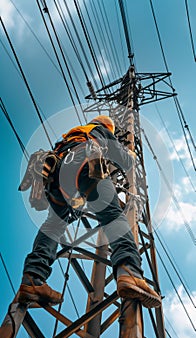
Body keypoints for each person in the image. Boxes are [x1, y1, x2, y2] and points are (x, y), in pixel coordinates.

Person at [17, 115, 161, 309]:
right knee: (112, 216)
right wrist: (130, 155)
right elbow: (125, 161)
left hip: (57, 173)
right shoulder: (99, 131)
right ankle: (129, 272)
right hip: (84, 162)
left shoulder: (71, 135)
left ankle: (32, 280)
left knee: (53, 224)